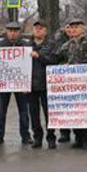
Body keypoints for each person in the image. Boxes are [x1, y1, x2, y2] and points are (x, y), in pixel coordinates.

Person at [57, 19, 87, 150]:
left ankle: (86, 137)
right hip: (71, 84)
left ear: (83, 29)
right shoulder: (66, 46)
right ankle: (77, 137)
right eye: (72, 27)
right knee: (74, 110)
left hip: (84, 82)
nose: (74, 30)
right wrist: (63, 67)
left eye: (77, 27)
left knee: (85, 110)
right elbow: (59, 60)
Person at [0, 22, 32, 145]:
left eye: (15, 31)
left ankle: (25, 135)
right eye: (10, 31)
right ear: (6, 32)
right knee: (0, 110)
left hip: (20, 83)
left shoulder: (26, 46)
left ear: (19, 32)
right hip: (4, 82)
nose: (13, 33)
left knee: (23, 111)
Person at [29, 20, 58, 149]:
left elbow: (53, 61)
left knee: (49, 114)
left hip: (47, 84)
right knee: (33, 114)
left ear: (45, 31)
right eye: (36, 28)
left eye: (41, 28)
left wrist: (39, 56)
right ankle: (37, 138)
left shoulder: (51, 45)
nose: (38, 30)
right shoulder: (27, 46)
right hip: (30, 86)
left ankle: (51, 137)